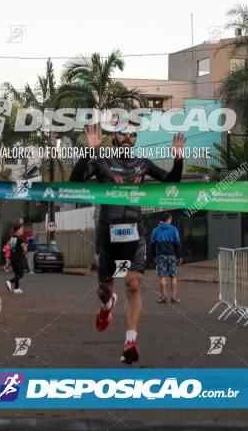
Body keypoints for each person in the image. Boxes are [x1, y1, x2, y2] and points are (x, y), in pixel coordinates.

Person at [69, 122, 185, 364]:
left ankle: (130, 342)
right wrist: (89, 151)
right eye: (123, 132)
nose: (129, 136)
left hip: (135, 232)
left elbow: (171, 182)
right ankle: (107, 305)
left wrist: (178, 160)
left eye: (133, 133)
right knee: (105, 290)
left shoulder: (142, 163)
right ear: (114, 135)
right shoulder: (102, 161)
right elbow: (74, 181)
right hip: (107, 234)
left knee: (133, 283)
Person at [150, 212, 183, 304]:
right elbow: (178, 244)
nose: (171, 220)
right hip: (172, 255)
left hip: (160, 255)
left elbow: (152, 244)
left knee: (162, 277)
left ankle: (163, 297)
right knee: (173, 277)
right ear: (168, 219)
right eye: (171, 219)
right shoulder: (174, 229)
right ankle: (173, 298)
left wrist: (153, 256)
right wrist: (179, 256)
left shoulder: (156, 230)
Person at [6, 225, 27, 294]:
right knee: (21, 274)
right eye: (21, 229)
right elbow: (25, 250)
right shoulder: (20, 239)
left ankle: (16, 288)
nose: (22, 231)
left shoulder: (12, 239)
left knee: (17, 273)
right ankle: (10, 281)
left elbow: (11, 248)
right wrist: (26, 247)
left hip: (13, 258)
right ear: (17, 230)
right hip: (19, 259)